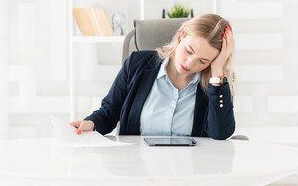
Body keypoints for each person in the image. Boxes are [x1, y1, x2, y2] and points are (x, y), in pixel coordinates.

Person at [69, 14, 235, 140]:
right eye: (189, 51)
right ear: (182, 35)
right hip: (138, 170)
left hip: (188, 174)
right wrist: (90, 124)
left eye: (203, 60)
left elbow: (220, 134)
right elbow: (109, 112)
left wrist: (218, 70)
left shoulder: (214, 86)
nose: (190, 63)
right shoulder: (137, 63)